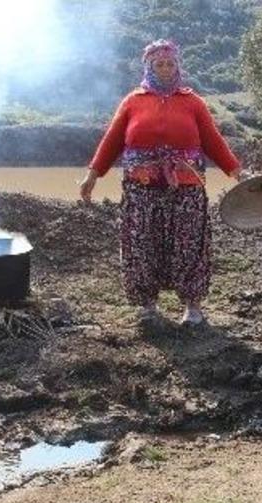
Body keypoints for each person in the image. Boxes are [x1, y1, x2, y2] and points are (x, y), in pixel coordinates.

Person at [80, 39, 241, 326]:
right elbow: (112, 142)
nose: (166, 69)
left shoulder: (193, 103)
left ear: (178, 66)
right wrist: (92, 175)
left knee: (189, 244)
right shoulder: (132, 102)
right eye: (159, 64)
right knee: (143, 244)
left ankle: (193, 307)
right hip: (142, 192)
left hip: (186, 189)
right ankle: (148, 306)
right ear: (149, 67)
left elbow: (214, 142)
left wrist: (237, 172)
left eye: (170, 64)